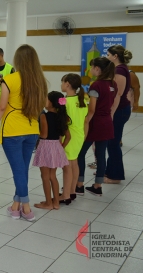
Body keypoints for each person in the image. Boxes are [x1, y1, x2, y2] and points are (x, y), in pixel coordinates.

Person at [0, 44, 48, 222]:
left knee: (18, 171)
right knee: (22, 169)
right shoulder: (40, 80)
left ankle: (27, 208)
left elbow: (1, 107)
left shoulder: (10, 79)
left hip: (12, 130)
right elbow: (43, 105)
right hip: (31, 130)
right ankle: (15, 207)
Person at [76, 57, 116, 196]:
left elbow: (92, 109)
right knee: (100, 155)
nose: (90, 70)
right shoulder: (112, 84)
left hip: (95, 123)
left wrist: (85, 121)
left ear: (97, 69)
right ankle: (97, 186)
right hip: (107, 122)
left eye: (92, 67)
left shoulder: (96, 85)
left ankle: (79, 185)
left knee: (80, 153)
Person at [32, 91, 71, 210]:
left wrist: (35, 133)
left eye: (46, 98)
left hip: (45, 147)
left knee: (45, 176)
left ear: (51, 103)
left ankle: (48, 203)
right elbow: (68, 136)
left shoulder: (44, 115)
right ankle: (56, 203)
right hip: (56, 146)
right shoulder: (62, 117)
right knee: (53, 176)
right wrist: (61, 147)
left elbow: (44, 134)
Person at [104, 45, 133, 184]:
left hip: (119, 110)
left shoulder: (120, 69)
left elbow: (118, 94)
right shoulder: (119, 69)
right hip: (120, 109)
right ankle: (110, 171)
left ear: (115, 56)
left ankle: (115, 176)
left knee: (113, 143)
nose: (107, 57)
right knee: (111, 142)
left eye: (108, 54)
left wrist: (111, 114)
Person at [59, 74, 87, 203]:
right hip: (79, 136)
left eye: (62, 82)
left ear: (68, 84)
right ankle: (72, 191)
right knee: (74, 163)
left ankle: (66, 195)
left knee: (67, 166)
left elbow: (63, 121)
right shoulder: (82, 100)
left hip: (69, 137)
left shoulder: (64, 101)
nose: (61, 85)